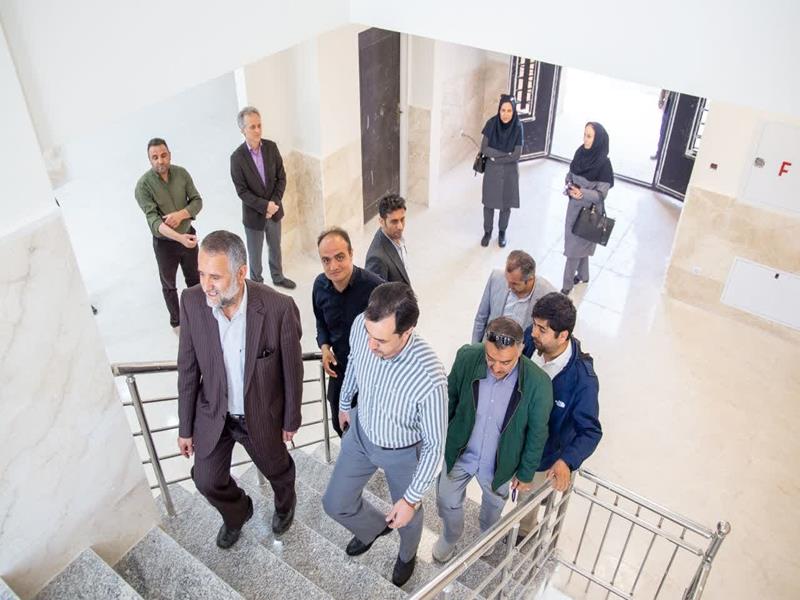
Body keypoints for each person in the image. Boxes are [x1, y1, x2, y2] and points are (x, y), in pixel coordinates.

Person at [177, 230, 303, 549]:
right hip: (214, 413)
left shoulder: (279, 308)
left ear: (241, 272)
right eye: (202, 274)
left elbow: (292, 370)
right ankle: (238, 512)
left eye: (215, 277)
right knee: (205, 479)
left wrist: (291, 419)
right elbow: (188, 368)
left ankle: (285, 504)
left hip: (260, 413)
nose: (206, 285)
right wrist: (185, 427)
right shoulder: (191, 301)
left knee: (277, 470)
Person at [322, 283, 447, 587]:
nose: (370, 345)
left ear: (406, 332)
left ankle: (407, 554)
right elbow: (355, 362)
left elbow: (434, 446)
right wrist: (344, 402)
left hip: (403, 453)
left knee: (409, 517)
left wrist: (410, 500)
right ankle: (373, 529)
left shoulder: (430, 377)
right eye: (368, 334)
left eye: (380, 340)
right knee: (334, 503)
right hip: (361, 434)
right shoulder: (362, 326)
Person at [433, 317, 553, 563]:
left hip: (500, 463)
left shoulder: (538, 383)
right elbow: (449, 398)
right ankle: (450, 535)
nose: (496, 367)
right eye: (490, 358)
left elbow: (537, 433)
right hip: (461, 451)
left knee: (493, 507)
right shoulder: (468, 357)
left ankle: (486, 537)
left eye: (506, 362)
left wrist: (526, 473)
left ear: (521, 349)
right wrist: (438, 438)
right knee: (445, 498)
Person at [517, 292, 602, 540]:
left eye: (542, 329)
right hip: (513, 440)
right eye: (534, 324)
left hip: (543, 457)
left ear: (563, 335)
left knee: (527, 503)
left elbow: (590, 431)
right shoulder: (530, 341)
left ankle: (524, 535)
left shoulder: (582, 380)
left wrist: (567, 460)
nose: (533, 332)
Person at [312, 227, 384, 437]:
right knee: (340, 424)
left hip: (372, 374)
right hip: (341, 371)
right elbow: (320, 321)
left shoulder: (376, 288)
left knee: (372, 429)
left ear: (351, 253)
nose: (333, 266)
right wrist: (325, 347)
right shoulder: (319, 286)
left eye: (340, 257)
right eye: (326, 260)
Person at [134, 138, 203, 330]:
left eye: (163, 155)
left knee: (195, 280)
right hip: (165, 244)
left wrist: (181, 215)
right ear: (149, 160)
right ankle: (177, 323)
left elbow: (197, 201)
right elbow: (154, 222)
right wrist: (179, 238)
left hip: (188, 235)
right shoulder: (143, 186)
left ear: (169, 155)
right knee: (169, 285)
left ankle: (200, 314)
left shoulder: (182, 174)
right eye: (155, 157)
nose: (160, 161)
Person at [230, 106, 295, 289]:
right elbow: (242, 191)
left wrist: (273, 204)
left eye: (259, 125)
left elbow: (281, 178)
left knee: (275, 247)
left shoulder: (271, 148)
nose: (257, 130)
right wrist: (264, 206)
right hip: (254, 216)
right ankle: (257, 286)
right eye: (252, 127)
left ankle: (278, 277)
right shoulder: (237, 158)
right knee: (255, 255)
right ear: (243, 130)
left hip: (274, 211)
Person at [561, 122, 614, 295]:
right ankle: (584, 275)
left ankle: (567, 285)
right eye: (584, 134)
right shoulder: (580, 153)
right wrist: (570, 186)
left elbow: (601, 194)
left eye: (589, 136)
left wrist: (581, 192)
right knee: (578, 244)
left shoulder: (604, 164)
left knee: (574, 249)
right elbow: (569, 175)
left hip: (588, 212)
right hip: (573, 207)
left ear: (598, 139)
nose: (585, 139)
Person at [471, 250, 555, 344]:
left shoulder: (547, 295)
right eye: (507, 280)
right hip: (490, 345)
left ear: (530, 279)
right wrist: (475, 347)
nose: (508, 286)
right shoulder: (496, 277)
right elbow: (481, 318)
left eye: (514, 283)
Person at [479, 94, 523, 248]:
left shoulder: (518, 127)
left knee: (506, 205)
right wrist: (505, 154)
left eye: (509, 111)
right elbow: (484, 148)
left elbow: (517, 155)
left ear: (514, 111)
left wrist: (496, 158)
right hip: (492, 171)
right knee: (489, 203)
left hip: (509, 172)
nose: (505, 114)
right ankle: (487, 232)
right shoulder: (491, 124)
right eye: (503, 110)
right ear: (499, 110)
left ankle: (502, 232)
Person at [365, 193, 411, 285]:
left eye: (402, 219)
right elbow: (376, 293)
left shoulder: (396, 236)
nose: (400, 227)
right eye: (394, 221)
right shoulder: (377, 259)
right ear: (382, 221)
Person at [651, 90, 674, 161]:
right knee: (663, 132)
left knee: (672, 133)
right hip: (668, 104)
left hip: (676, 105)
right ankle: (659, 154)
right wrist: (661, 100)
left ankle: (667, 156)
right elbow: (664, 89)